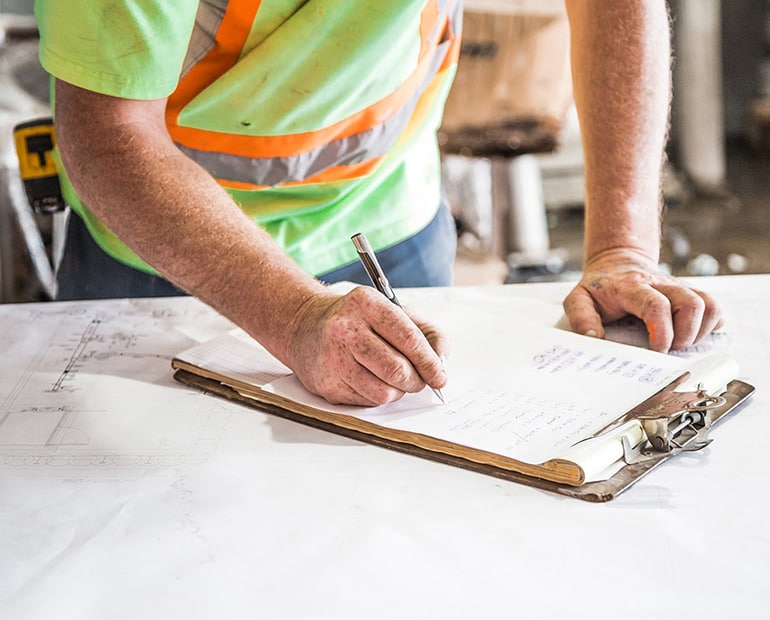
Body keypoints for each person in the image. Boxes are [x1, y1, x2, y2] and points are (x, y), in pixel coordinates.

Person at [34, 0, 722, 407]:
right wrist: (294, 314)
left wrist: (622, 248)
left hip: (391, 218)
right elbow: (107, 130)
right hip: (168, 256)